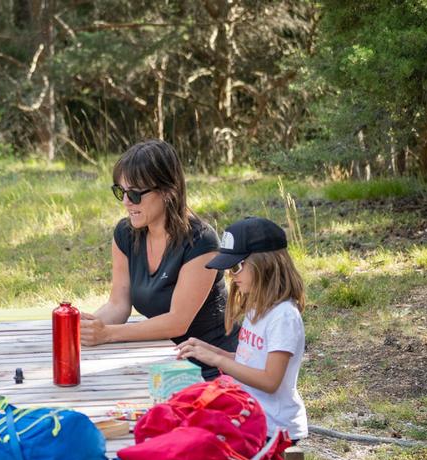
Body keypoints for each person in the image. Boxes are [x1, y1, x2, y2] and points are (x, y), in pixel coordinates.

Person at [80, 139, 238, 379]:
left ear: (167, 191)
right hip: (163, 359)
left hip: (212, 367)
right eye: (120, 191)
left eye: (134, 194)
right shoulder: (125, 234)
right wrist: (83, 328)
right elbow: (118, 304)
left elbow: (177, 322)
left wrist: (108, 334)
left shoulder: (201, 241)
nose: (126, 202)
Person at [176, 216, 308, 441]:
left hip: (274, 430)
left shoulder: (283, 316)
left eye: (236, 267)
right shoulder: (258, 306)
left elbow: (269, 381)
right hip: (252, 416)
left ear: (265, 263)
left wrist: (219, 361)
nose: (231, 275)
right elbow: (249, 360)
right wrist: (211, 351)